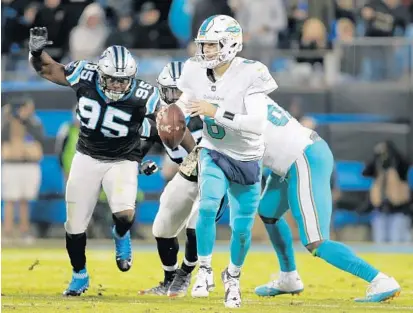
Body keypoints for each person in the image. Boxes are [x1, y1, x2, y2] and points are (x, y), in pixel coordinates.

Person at [29, 27, 160, 296]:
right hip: (87, 156)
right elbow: (46, 69)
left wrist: (140, 159)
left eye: (122, 81)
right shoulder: (83, 75)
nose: (116, 85)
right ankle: (80, 274)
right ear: (100, 74)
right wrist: (36, 52)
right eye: (111, 79)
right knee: (75, 225)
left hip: (122, 159)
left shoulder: (145, 95)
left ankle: (120, 233)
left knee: (125, 213)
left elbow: (159, 129)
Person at [176, 15, 277, 308]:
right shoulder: (194, 69)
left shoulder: (252, 72)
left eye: (210, 45)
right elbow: (186, 101)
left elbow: (257, 124)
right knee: (207, 206)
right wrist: (173, 114)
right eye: (203, 45)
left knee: (242, 229)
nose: (205, 51)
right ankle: (204, 270)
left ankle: (232, 276)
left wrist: (214, 111)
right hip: (214, 149)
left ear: (230, 43)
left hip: (247, 157)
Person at [254, 102, 401, 302]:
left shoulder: (232, 99)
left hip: (302, 157)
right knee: (268, 212)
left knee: (316, 242)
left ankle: (380, 280)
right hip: (292, 158)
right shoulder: (243, 90)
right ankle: (288, 277)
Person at [140, 62, 229, 297]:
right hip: (187, 174)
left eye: (180, 92)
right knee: (162, 227)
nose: (175, 98)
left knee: (195, 226)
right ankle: (168, 279)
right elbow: (140, 146)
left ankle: (185, 273)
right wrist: (141, 163)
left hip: (215, 176)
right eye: (171, 91)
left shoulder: (209, 111)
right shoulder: (157, 115)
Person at [2, 97, 45, 244]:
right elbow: (5, 146)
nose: (30, 110)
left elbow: (39, 143)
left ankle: (24, 231)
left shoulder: (34, 123)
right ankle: (7, 232)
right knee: (10, 199)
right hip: (12, 166)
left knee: (25, 200)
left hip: (29, 165)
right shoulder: (8, 123)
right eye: (27, 107)